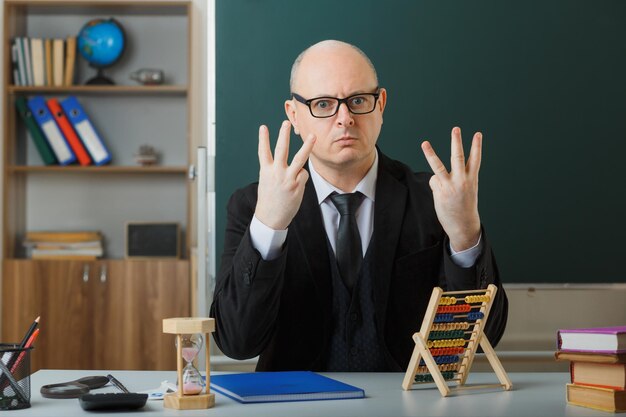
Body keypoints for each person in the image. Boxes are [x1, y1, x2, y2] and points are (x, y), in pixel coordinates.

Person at [210, 40, 507, 372]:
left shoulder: (436, 198)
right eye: (323, 104)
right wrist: (269, 225)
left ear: (380, 104)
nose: (345, 118)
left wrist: (466, 235)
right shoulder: (252, 205)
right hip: (292, 405)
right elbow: (237, 342)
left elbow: (486, 337)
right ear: (294, 115)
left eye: (358, 101)